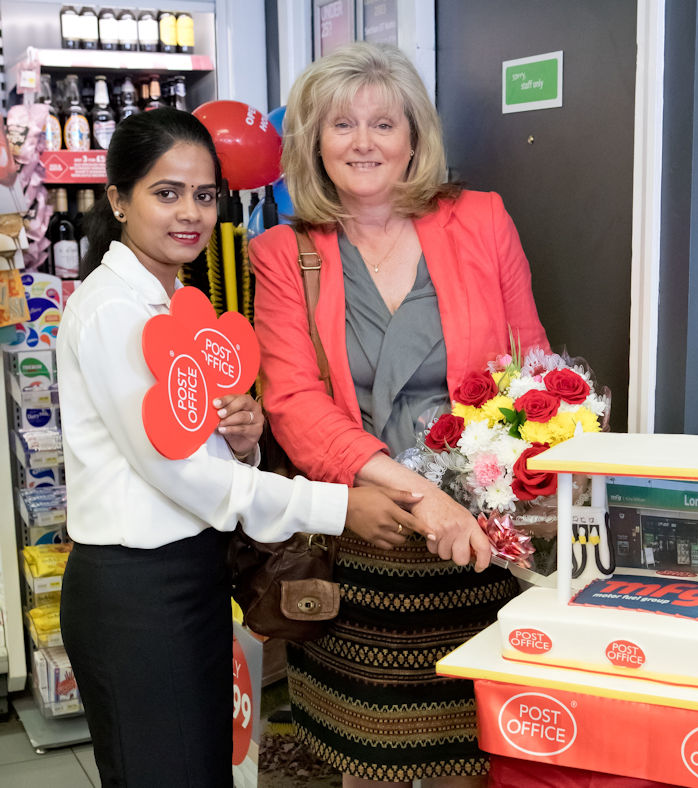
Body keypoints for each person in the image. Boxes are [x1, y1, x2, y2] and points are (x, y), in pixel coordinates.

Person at [57, 108, 431, 787]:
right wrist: (338, 506)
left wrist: (244, 439)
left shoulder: (172, 301)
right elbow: (182, 478)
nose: (190, 214)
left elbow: (200, 460)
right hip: (137, 590)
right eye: (166, 193)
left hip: (189, 578)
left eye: (204, 195)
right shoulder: (114, 312)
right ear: (118, 200)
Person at [250, 42, 549, 787]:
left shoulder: (482, 222)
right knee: (370, 763)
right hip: (363, 537)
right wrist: (411, 498)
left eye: (384, 123)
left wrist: (491, 497)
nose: (364, 142)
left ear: (415, 136)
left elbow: (531, 367)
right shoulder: (285, 255)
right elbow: (292, 402)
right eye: (342, 124)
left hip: (475, 541)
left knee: (469, 753)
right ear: (313, 142)